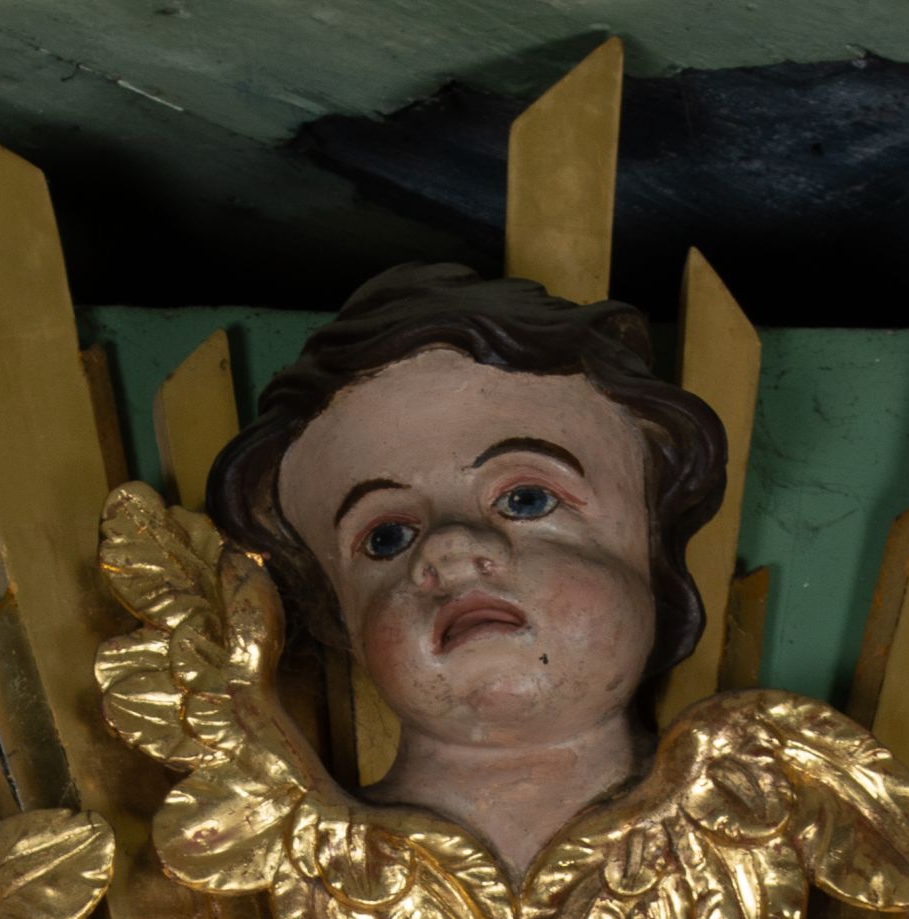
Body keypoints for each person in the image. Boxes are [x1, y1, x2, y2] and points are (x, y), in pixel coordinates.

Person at [205, 267, 729, 881]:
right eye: (386, 538)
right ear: (340, 619)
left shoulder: (755, 824)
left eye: (526, 500)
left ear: (651, 548)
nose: (450, 548)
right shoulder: (314, 871)